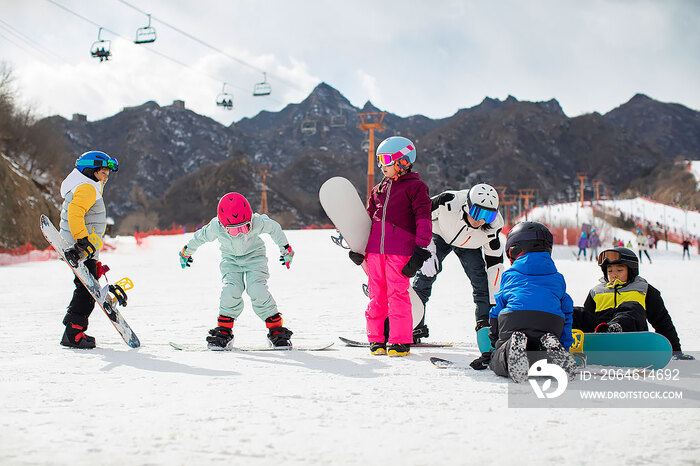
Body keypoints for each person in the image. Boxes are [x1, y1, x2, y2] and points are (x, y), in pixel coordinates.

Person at [348, 136, 432, 356]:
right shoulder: (378, 189)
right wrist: (358, 248)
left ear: (403, 161)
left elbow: (423, 220)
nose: (381, 165)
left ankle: (399, 341)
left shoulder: (416, 188)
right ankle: (376, 340)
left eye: (385, 159)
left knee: (398, 295)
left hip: (400, 251)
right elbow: (366, 220)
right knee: (376, 295)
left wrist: (420, 250)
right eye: (379, 160)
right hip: (375, 252)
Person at [179, 192, 295, 349]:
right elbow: (199, 237)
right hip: (231, 262)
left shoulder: (258, 222)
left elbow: (275, 229)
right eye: (234, 231)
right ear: (223, 226)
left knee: (257, 290)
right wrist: (186, 251)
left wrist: (286, 249)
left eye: (245, 228)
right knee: (230, 290)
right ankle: (224, 332)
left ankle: (276, 331)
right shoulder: (215, 227)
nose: (240, 233)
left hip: (255, 259)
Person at [470, 222, 576, 382]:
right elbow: (567, 311)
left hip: (515, 319)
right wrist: (564, 345)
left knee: (498, 358)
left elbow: (497, 309)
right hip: (551, 322)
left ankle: (510, 348)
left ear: (515, 249)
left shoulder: (509, 274)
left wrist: (495, 341)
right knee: (539, 357)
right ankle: (551, 348)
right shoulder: (557, 278)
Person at [412, 183, 505, 341]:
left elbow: (495, 266)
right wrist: (428, 249)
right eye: (477, 212)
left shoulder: (492, 228)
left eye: (488, 216)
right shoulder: (447, 201)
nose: (481, 220)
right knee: (425, 276)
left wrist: (495, 302)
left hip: (470, 245)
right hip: (439, 234)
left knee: (481, 283)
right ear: (467, 206)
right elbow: (419, 216)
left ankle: (485, 326)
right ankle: (414, 324)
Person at [574, 247, 693, 359]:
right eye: (609, 271)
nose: (614, 274)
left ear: (631, 270)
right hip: (601, 334)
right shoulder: (596, 292)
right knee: (575, 312)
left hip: (630, 335)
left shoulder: (643, 289)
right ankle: (565, 343)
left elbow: (662, 321)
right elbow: (588, 318)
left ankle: (615, 329)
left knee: (632, 307)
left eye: (619, 270)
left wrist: (675, 351)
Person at [58, 151, 119, 348]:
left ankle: (72, 328)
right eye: (103, 173)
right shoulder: (87, 188)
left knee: (84, 289)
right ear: (90, 170)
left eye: (108, 175)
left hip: (86, 250)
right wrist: (82, 241)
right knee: (87, 292)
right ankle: (74, 332)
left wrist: (94, 259)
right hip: (81, 247)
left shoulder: (88, 186)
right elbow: (76, 214)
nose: (105, 178)